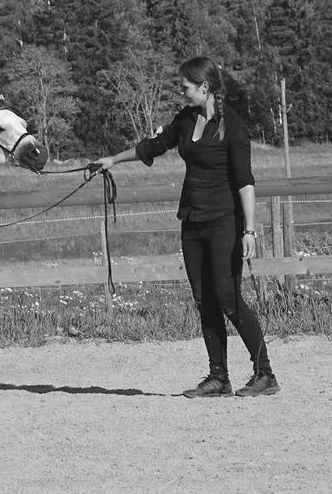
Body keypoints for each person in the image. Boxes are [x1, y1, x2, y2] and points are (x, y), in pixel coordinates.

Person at [93, 56, 279, 398]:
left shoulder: (233, 125)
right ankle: (218, 378)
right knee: (203, 299)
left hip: (225, 221)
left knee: (228, 299)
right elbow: (152, 147)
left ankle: (264, 372)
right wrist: (113, 160)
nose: (182, 92)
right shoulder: (184, 120)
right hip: (192, 221)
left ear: (204, 88)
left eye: (186, 87)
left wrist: (249, 230)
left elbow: (245, 181)